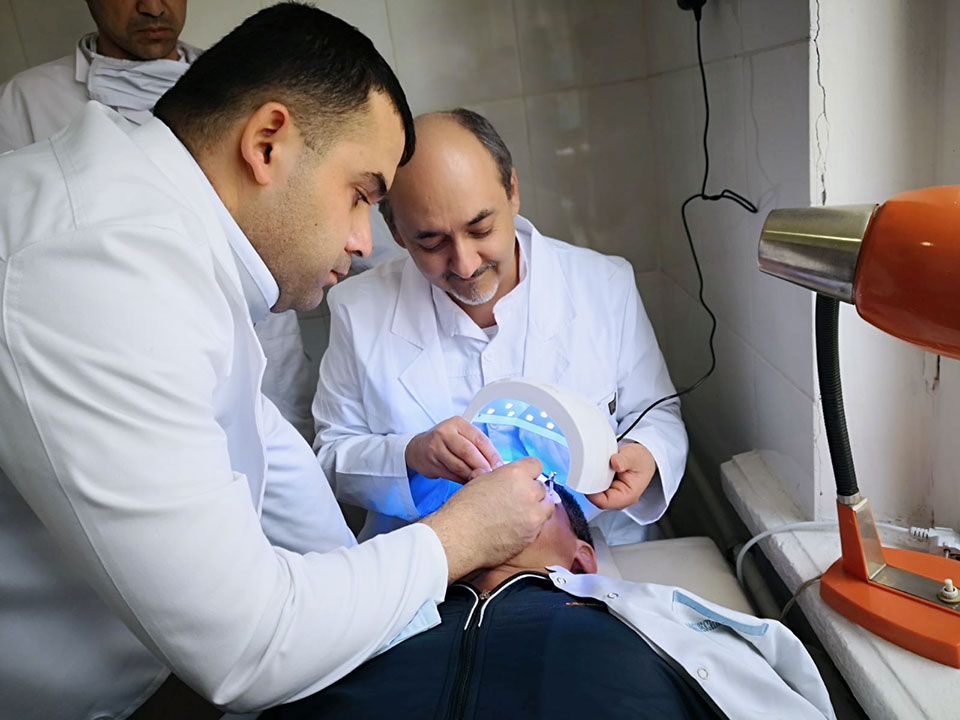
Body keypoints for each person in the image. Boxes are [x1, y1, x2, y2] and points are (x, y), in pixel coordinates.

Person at [0, 6, 556, 719]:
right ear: (268, 144)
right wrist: (459, 537)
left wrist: (392, 596)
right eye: (360, 196)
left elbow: (268, 451)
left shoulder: (171, 235)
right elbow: (245, 648)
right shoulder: (94, 264)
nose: (362, 241)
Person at [313, 109, 688, 543]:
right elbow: (332, 453)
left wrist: (645, 454)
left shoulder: (604, 285)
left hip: (596, 546)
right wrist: (411, 455)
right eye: (431, 242)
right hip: (435, 559)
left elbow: (657, 413)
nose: (464, 263)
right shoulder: (358, 310)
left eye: (480, 228)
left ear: (512, 191)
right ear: (396, 232)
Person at [0, 0, 316, 440]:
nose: (152, 7)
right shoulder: (26, 102)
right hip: (130, 363)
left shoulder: (247, 81)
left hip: (265, 359)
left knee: (282, 463)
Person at [262, 484, 836, 720]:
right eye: (469, 499)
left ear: (583, 558)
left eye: (534, 499)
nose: (491, 503)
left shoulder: (653, 619)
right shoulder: (372, 608)